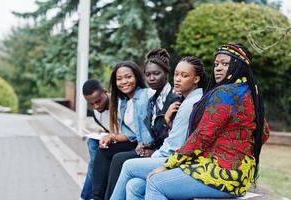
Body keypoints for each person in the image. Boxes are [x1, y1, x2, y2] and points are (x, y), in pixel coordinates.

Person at [145, 43, 270, 200]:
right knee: (138, 184)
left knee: (155, 183)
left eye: (225, 64)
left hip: (220, 174)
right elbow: (264, 132)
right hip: (240, 177)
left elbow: (202, 136)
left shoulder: (225, 93)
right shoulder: (248, 92)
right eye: (216, 64)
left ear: (238, 66)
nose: (217, 68)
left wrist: (167, 165)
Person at [110, 56, 206, 200]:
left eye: (184, 76)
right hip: (172, 156)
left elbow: (174, 145)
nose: (178, 79)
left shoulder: (189, 104)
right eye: (177, 74)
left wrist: (153, 155)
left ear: (196, 79)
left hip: (180, 161)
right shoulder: (183, 100)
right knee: (134, 185)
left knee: (128, 166)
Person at [104, 48, 181, 199]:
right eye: (148, 74)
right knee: (132, 185)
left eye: (156, 73)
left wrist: (152, 148)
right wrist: (149, 146)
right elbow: (154, 133)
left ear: (166, 73)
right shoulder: (153, 100)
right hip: (155, 151)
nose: (151, 78)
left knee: (124, 163)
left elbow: (172, 137)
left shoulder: (174, 98)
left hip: (169, 157)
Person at [91, 61, 154, 200]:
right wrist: (111, 137)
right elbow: (131, 135)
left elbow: (165, 94)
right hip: (135, 143)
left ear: (136, 77)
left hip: (148, 147)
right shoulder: (124, 102)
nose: (124, 82)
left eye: (128, 77)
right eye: (119, 79)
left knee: (119, 159)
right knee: (103, 149)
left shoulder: (146, 94)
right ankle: (96, 197)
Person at [81, 79, 110, 200]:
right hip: (111, 139)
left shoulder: (119, 103)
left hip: (126, 141)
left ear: (105, 92)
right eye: (91, 104)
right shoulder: (96, 113)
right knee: (92, 143)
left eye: (98, 101)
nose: (96, 106)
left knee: (95, 159)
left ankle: (86, 197)